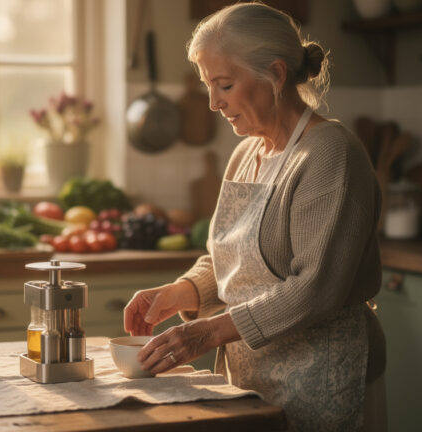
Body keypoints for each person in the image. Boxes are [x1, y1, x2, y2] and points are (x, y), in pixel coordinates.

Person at [123, 3, 387, 431]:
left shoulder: (331, 153)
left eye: (224, 84)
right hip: (252, 378)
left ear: (276, 75)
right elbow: (228, 260)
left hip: (327, 375)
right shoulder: (247, 153)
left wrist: (206, 333)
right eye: (209, 86)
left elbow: (315, 288)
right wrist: (182, 292)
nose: (212, 103)